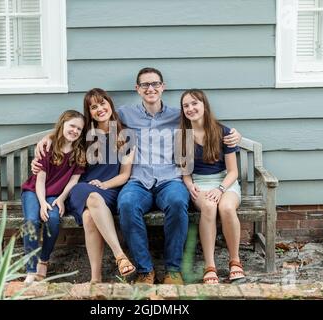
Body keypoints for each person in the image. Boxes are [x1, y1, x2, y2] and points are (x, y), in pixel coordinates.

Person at [115, 68, 242, 285]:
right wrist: (52, 137)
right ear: (137, 89)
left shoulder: (180, 115)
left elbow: (210, 126)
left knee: (176, 201)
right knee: (126, 203)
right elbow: (91, 121)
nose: (150, 89)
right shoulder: (126, 114)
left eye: (155, 84)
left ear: (163, 87)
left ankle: (173, 270)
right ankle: (145, 270)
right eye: (145, 85)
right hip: (138, 180)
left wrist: (235, 134)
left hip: (171, 180)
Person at [33, 88, 136, 283]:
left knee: (89, 216)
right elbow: (63, 136)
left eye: (102, 103)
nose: (100, 109)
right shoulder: (85, 134)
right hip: (79, 189)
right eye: (93, 107)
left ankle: (95, 279)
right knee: (90, 196)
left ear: (110, 105)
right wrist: (47, 138)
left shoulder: (125, 136)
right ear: (89, 112)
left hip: (110, 190)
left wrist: (105, 184)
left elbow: (124, 175)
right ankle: (120, 256)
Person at [180, 89, 245, 284]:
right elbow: (185, 173)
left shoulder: (223, 132)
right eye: (186, 106)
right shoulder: (182, 137)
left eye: (194, 103)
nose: (190, 108)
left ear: (204, 105)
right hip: (199, 183)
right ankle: (210, 266)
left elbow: (233, 171)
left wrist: (220, 189)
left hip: (225, 182)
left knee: (226, 207)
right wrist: (190, 185)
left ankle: (235, 261)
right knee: (208, 206)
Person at [21, 110, 86, 285]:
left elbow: (74, 180)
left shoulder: (79, 152)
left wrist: (62, 198)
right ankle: (30, 268)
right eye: (72, 125)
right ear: (63, 124)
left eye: (79, 128)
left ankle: (44, 259)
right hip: (34, 192)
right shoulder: (48, 147)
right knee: (31, 222)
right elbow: (40, 179)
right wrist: (42, 203)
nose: (75, 130)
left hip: (56, 195)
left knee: (54, 219)